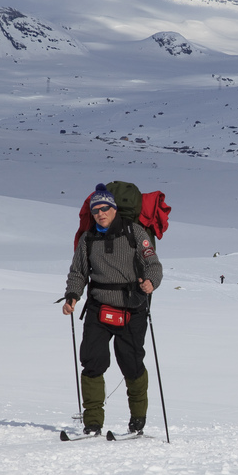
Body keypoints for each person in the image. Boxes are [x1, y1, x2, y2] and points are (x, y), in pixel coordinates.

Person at [62, 184, 164, 436]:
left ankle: (137, 421)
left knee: (131, 363)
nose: (100, 213)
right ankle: (93, 423)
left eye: (105, 207)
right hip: (98, 307)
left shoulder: (135, 232)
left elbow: (153, 264)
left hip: (133, 306)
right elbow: (78, 272)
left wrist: (151, 281)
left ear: (114, 209)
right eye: (95, 209)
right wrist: (73, 296)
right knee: (92, 361)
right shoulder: (88, 239)